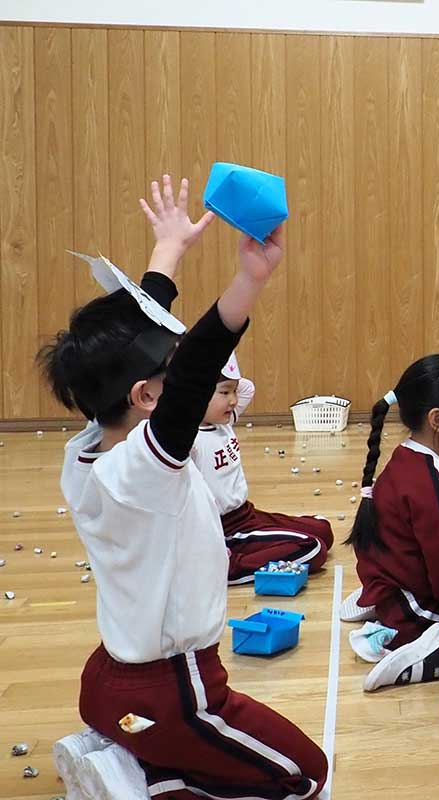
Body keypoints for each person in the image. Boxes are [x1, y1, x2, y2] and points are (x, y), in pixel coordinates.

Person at [42, 175, 326, 799]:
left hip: (112, 679)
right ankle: (142, 775)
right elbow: (195, 363)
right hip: (171, 690)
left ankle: (138, 752)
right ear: (148, 398)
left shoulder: (93, 443)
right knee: (306, 776)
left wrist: (167, 253)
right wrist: (249, 278)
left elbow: (147, 340)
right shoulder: (145, 468)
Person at [339, 354, 439, 692]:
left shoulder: (405, 458)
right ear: (437, 419)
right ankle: (420, 656)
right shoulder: (432, 480)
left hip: (395, 596)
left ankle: (387, 609)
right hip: (416, 615)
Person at [192, 352, 334, 584]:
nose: (234, 400)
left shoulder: (225, 420)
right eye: (225, 392)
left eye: (234, 391)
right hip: (224, 530)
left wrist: (220, 361)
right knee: (313, 548)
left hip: (247, 514)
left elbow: (248, 387)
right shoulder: (190, 440)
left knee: (324, 530)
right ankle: (227, 567)